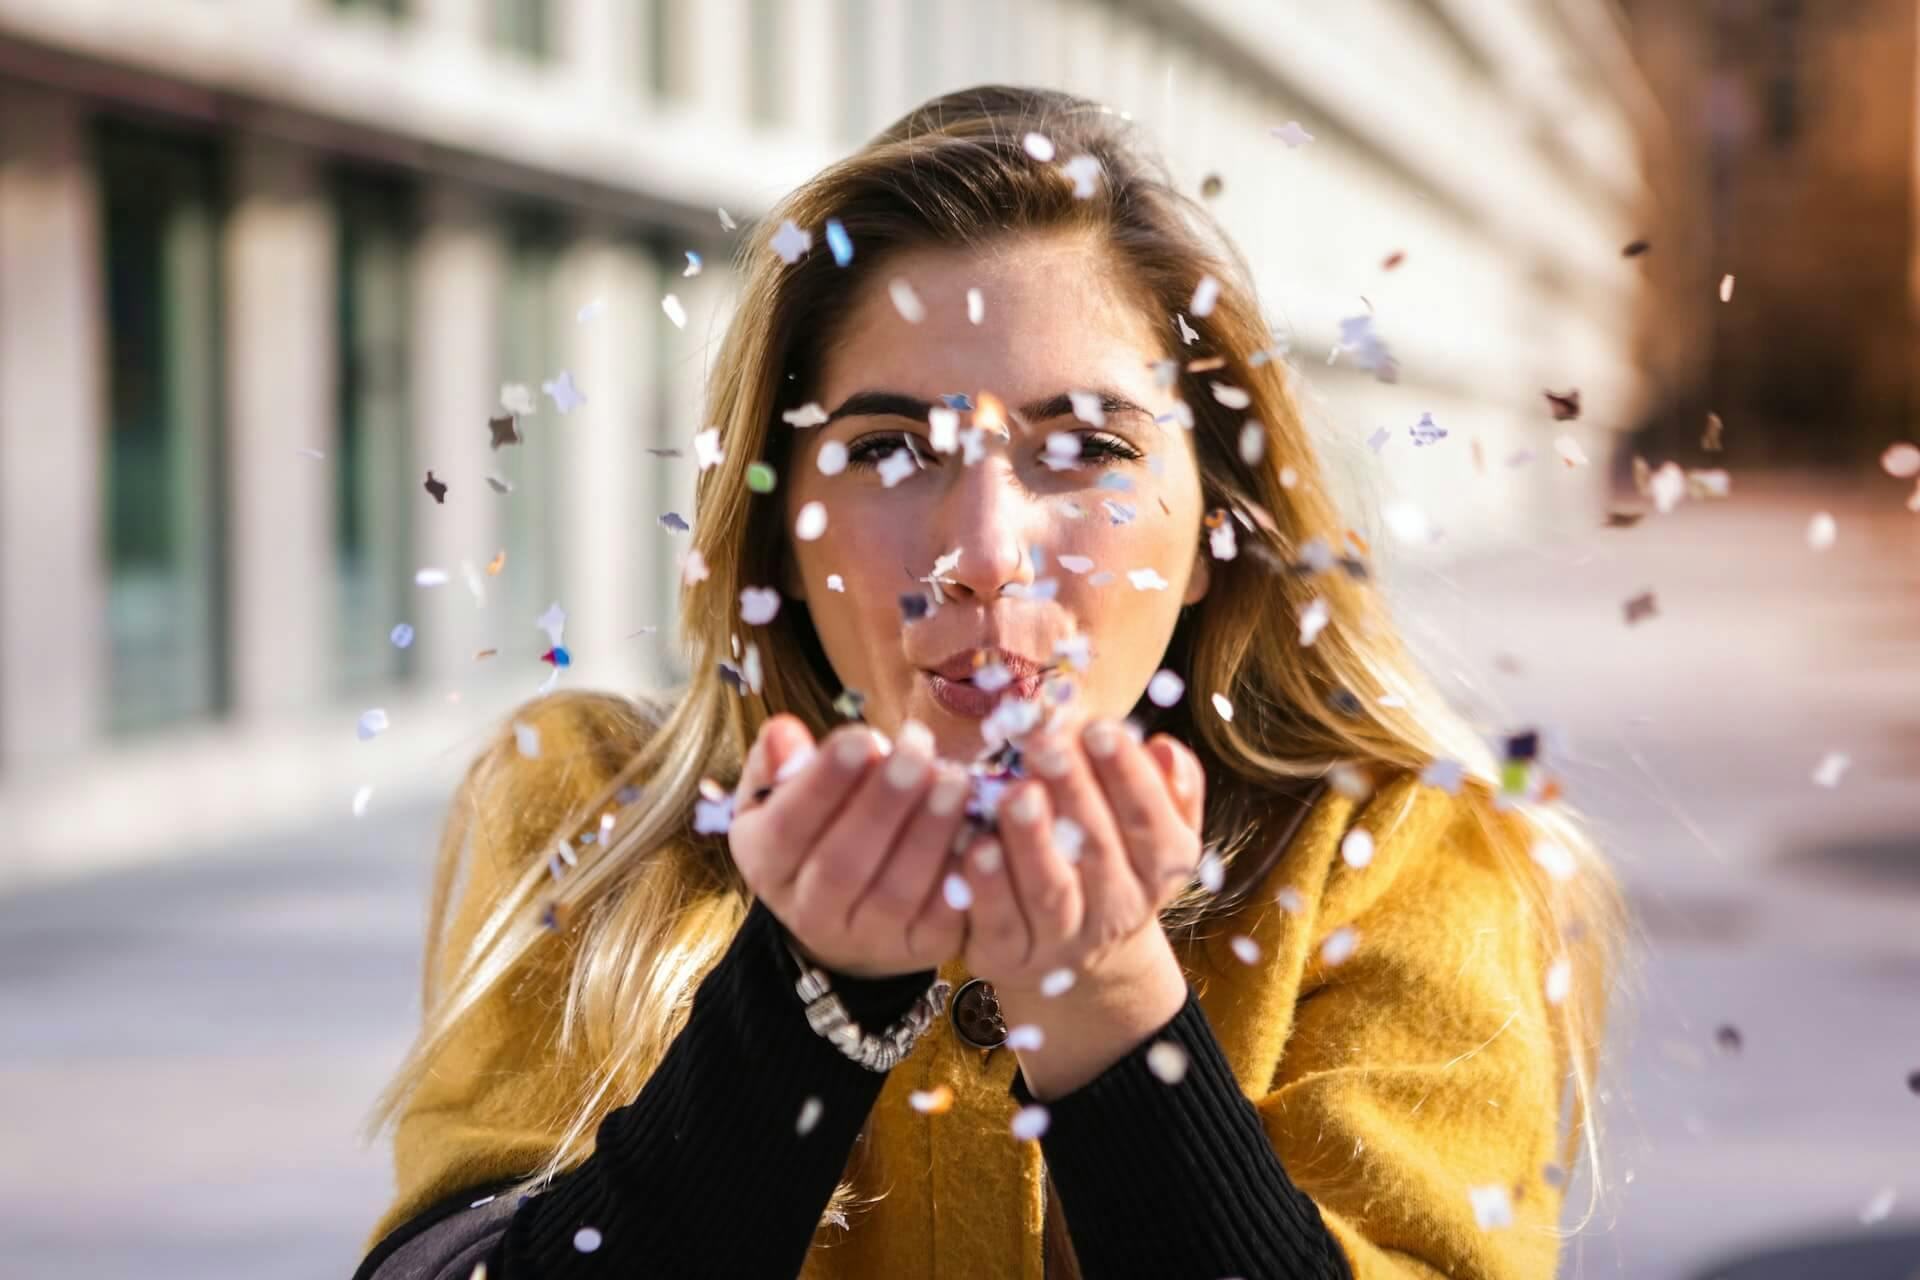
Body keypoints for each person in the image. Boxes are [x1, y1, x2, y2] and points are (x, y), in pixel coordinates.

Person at [352, 85, 1625, 1280]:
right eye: (891, 446)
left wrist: (1112, 1014)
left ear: (1213, 527)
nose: (980, 553)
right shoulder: (592, 817)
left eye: (1083, 447)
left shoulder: (1400, 852)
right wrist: (805, 1005)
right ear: (782, 523)